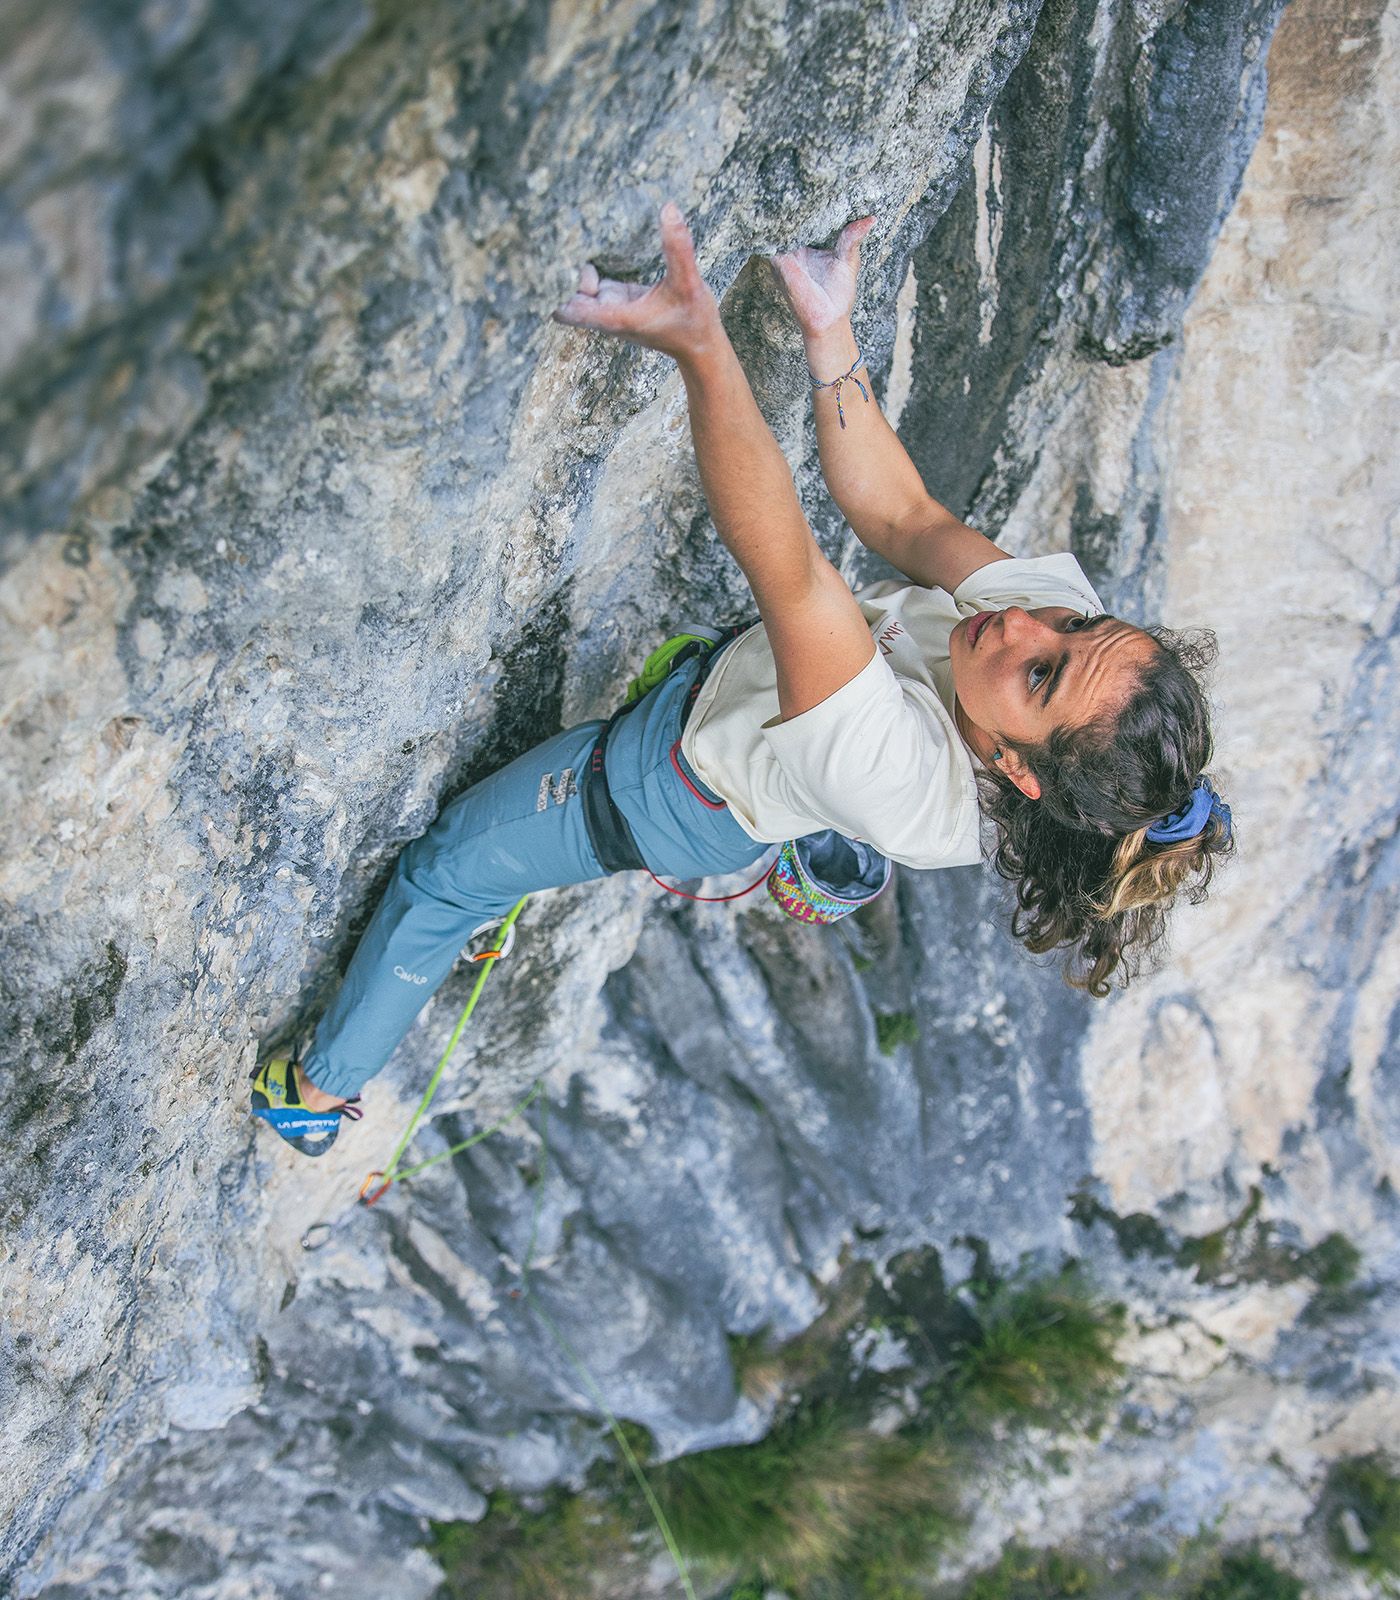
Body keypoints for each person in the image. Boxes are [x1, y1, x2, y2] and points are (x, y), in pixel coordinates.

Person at [251, 201, 1233, 1155]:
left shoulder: (906, 788)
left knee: (448, 870)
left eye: (1040, 671)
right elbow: (903, 518)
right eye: (1072, 621)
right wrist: (828, 327)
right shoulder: (1069, 646)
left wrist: (699, 346)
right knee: (827, 683)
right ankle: (767, 844)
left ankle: (319, 1089)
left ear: (1022, 773)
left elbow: (794, 575)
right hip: (747, 706)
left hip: (665, 787)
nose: (1018, 622)